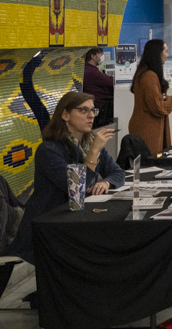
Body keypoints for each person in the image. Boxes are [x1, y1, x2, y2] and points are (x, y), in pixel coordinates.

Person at [8, 92, 123, 265]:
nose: (91, 115)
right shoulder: (49, 150)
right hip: (47, 227)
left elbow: (118, 173)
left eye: (93, 110)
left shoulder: (88, 142)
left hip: (73, 222)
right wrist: (93, 153)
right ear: (65, 114)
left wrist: (106, 181)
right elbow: (76, 190)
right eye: (83, 110)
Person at [128, 39, 172, 154]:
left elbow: (154, 99)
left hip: (147, 128)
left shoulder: (146, 73)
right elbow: (156, 106)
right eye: (166, 51)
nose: (167, 55)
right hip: (147, 130)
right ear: (158, 53)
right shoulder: (149, 76)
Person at [83, 47, 114, 128]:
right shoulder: (92, 72)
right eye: (100, 54)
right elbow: (111, 82)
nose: (102, 56)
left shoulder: (87, 69)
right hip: (101, 108)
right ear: (93, 56)